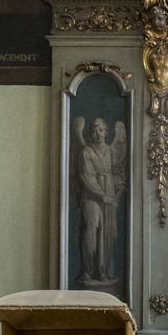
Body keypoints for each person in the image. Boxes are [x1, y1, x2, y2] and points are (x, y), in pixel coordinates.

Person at [73, 116, 126, 287]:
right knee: (91, 227)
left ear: (106, 132)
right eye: (94, 130)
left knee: (110, 232)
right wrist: (103, 196)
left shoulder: (111, 151)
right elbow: (85, 176)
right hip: (92, 196)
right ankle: (87, 272)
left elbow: (117, 171)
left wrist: (117, 188)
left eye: (100, 130)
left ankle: (104, 270)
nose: (97, 133)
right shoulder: (86, 151)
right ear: (89, 133)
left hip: (110, 194)